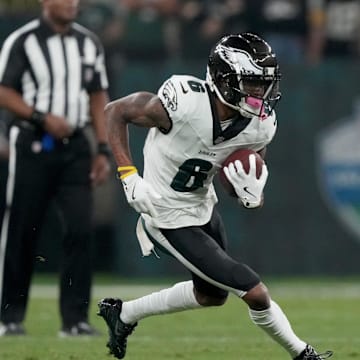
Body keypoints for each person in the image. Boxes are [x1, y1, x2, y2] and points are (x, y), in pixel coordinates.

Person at [98, 33, 333, 359]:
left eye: (264, 84)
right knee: (254, 292)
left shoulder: (259, 126)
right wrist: (128, 175)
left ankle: (122, 314)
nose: (260, 93)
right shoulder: (184, 102)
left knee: (211, 295)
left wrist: (253, 195)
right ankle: (303, 354)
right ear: (223, 79)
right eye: (251, 83)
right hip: (164, 213)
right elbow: (114, 112)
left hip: (202, 207)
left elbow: (242, 174)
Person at [0, 0, 110, 336]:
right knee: (22, 229)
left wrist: (102, 148)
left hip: (76, 146)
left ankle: (75, 320)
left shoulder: (88, 41)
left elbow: (97, 95)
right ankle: (9, 317)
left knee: (80, 228)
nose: (72, 4)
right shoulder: (23, 40)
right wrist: (40, 117)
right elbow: (4, 90)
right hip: (33, 143)